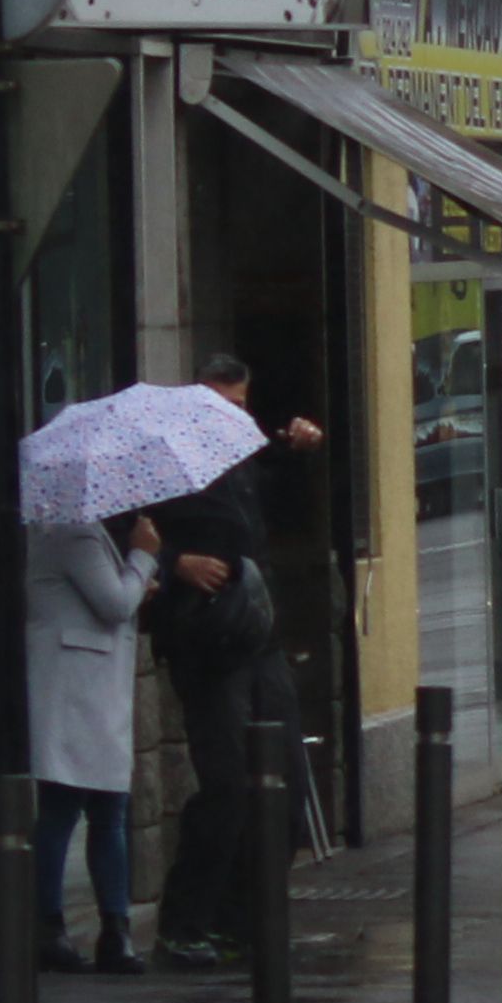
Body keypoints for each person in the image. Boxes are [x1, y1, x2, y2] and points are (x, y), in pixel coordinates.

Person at [141, 354, 322, 968]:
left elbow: (292, 524)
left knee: (286, 785)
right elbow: (124, 540)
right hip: (207, 645)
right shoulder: (162, 468)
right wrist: (176, 565)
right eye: (218, 404)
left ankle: (243, 919)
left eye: (239, 406)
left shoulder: (249, 463)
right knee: (227, 788)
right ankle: (185, 922)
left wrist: (299, 457)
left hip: (258, 640)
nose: (229, 416)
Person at [26, 508, 155, 970]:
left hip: (95, 690)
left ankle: (114, 930)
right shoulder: (72, 531)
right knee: (63, 806)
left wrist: (136, 578)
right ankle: (48, 926)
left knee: (108, 809)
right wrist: (143, 557)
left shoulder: (81, 531)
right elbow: (114, 603)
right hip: (75, 689)